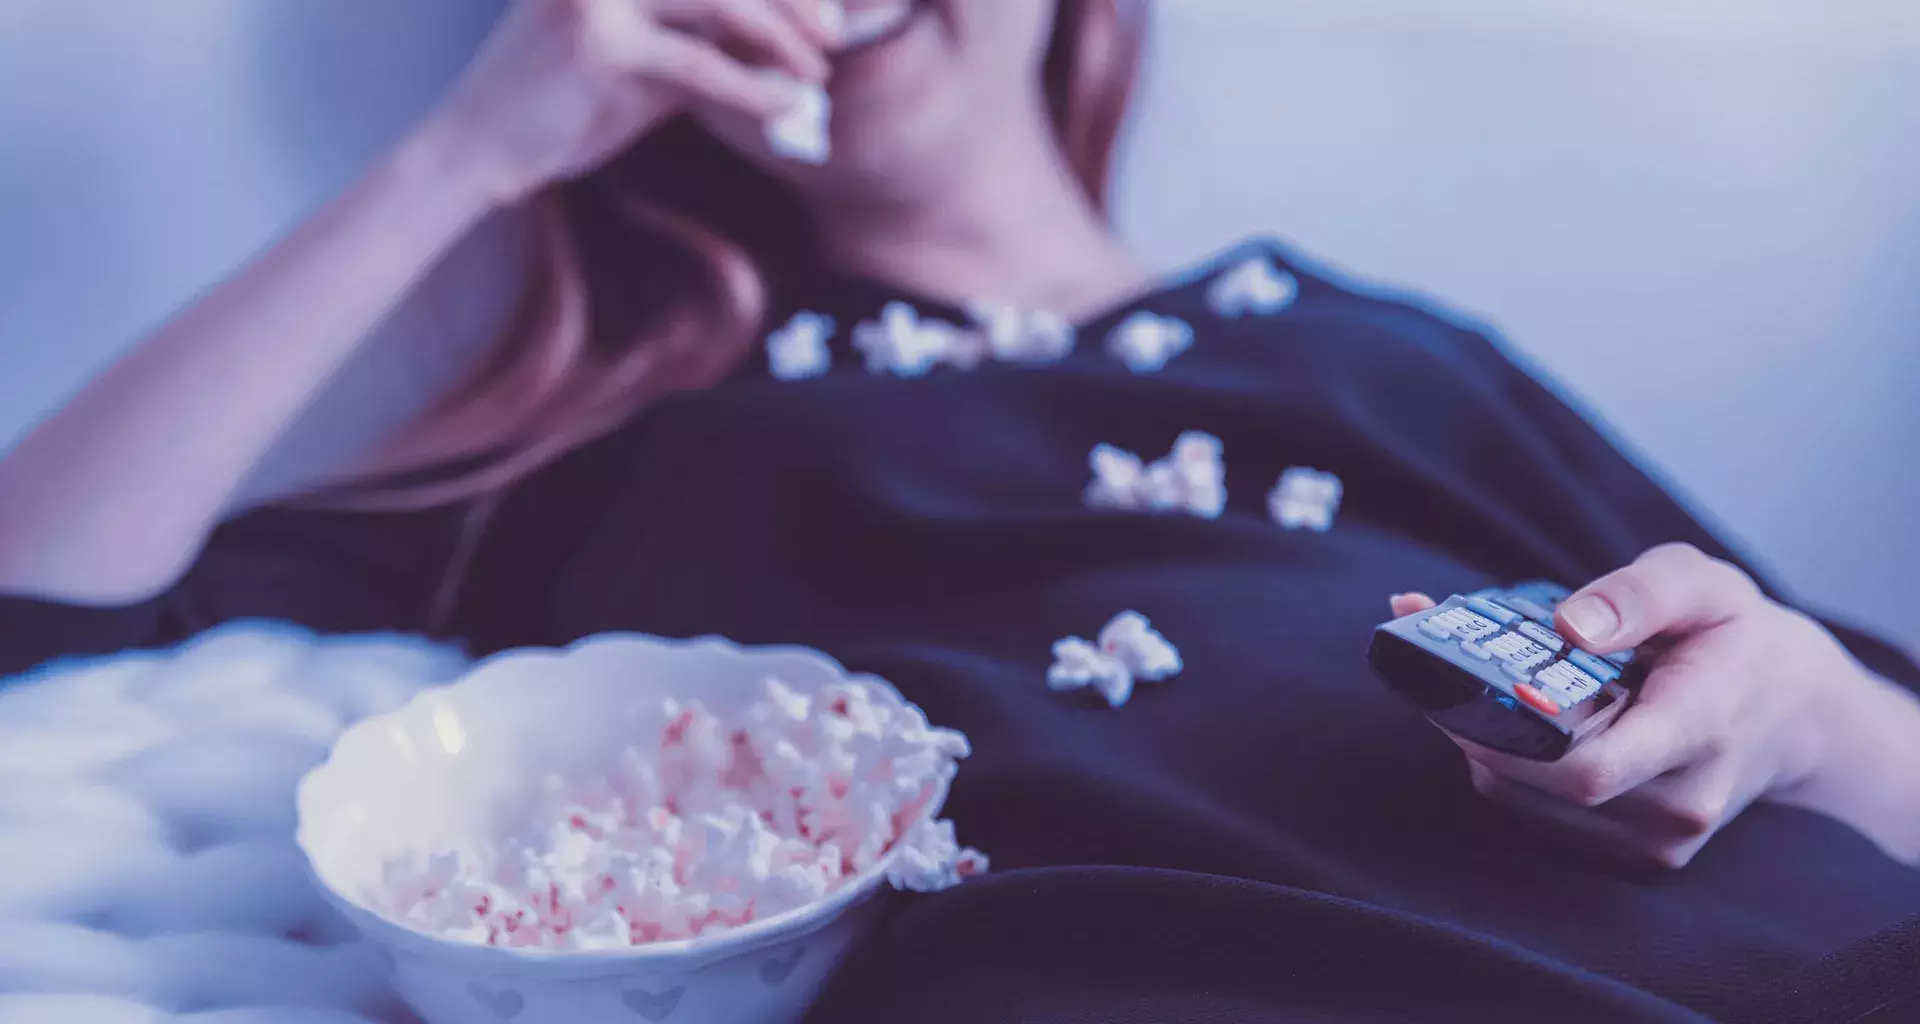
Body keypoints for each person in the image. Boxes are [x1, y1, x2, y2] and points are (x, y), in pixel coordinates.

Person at [0, 0, 1915, 1019]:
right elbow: (38, 607)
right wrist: (465, 156)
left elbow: (1881, 757)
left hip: (1789, 952)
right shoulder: (643, 443)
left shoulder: (1380, 349)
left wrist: (1806, 712)